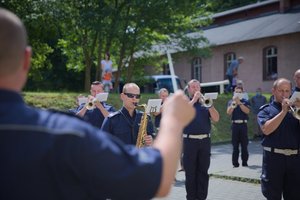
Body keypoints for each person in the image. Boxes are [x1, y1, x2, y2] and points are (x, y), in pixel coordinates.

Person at [0, 8, 196, 199]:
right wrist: (173, 120)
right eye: (131, 95)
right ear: (27, 59)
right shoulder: (64, 133)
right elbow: (157, 179)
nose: (135, 100)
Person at [257, 78, 300, 200]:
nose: (284, 94)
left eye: (287, 91)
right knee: (272, 195)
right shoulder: (266, 110)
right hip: (274, 160)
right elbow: (266, 129)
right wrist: (283, 112)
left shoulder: (296, 111)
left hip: (295, 160)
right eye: (281, 90)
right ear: (273, 91)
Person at [183, 79, 220, 200]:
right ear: (188, 89)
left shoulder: (206, 103)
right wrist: (194, 100)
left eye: (197, 87)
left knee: (203, 173)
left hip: (205, 142)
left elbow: (216, 118)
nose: (196, 89)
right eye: (193, 87)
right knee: (190, 174)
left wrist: (210, 106)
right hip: (189, 142)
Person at [226, 86, 251, 168]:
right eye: (236, 92)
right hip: (235, 126)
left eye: (240, 92)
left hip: (243, 125)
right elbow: (229, 112)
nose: (238, 94)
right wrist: (234, 103)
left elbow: (247, 111)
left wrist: (239, 103)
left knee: (244, 145)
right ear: (234, 93)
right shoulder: (231, 101)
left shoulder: (245, 101)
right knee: (235, 146)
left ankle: (244, 162)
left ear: (242, 93)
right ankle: (235, 163)